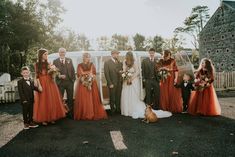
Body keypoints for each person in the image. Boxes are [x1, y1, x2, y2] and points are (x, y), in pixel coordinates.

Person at [121, 51, 172, 119]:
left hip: (133, 80)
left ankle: (128, 110)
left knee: (132, 95)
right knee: (127, 94)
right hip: (127, 81)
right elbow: (124, 70)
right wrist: (126, 77)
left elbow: (138, 72)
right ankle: (128, 110)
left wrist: (131, 78)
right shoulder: (125, 62)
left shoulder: (134, 62)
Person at [33, 48, 66, 125]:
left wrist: (53, 73)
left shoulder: (49, 63)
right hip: (42, 82)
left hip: (50, 83)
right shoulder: (37, 64)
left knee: (51, 100)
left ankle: (51, 117)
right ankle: (44, 119)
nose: (46, 55)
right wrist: (39, 86)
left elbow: (51, 73)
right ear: (41, 55)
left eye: (47, 54)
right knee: (44, 101)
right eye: (45, 54)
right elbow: (37, 76)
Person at [74, 52, 107, 120]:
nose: (88, 58)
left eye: (89, 57)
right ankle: (85, 114)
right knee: (84, 99)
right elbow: (79, 74)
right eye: (86, 57)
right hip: (83, 84)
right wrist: (85, 81)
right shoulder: (79, 65)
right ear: (83, 57)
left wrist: (90, 79)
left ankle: (92, 113)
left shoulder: (92, 64)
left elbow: (94, 73)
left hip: (92, 84)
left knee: (92, 98)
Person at [53, 48, 75, 117]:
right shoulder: (55, 61)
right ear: (58, 53)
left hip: (69, 82)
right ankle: (61, 113)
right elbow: (54, 72)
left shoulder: (69, 60)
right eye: (61, 52)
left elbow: (72, 70)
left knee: (70, 98)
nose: (62, 53)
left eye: (63, 52)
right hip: (60, 83)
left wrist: (73, 80)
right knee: (60, 98)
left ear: (65, 53)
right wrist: (59, 76)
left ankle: (70, 113)